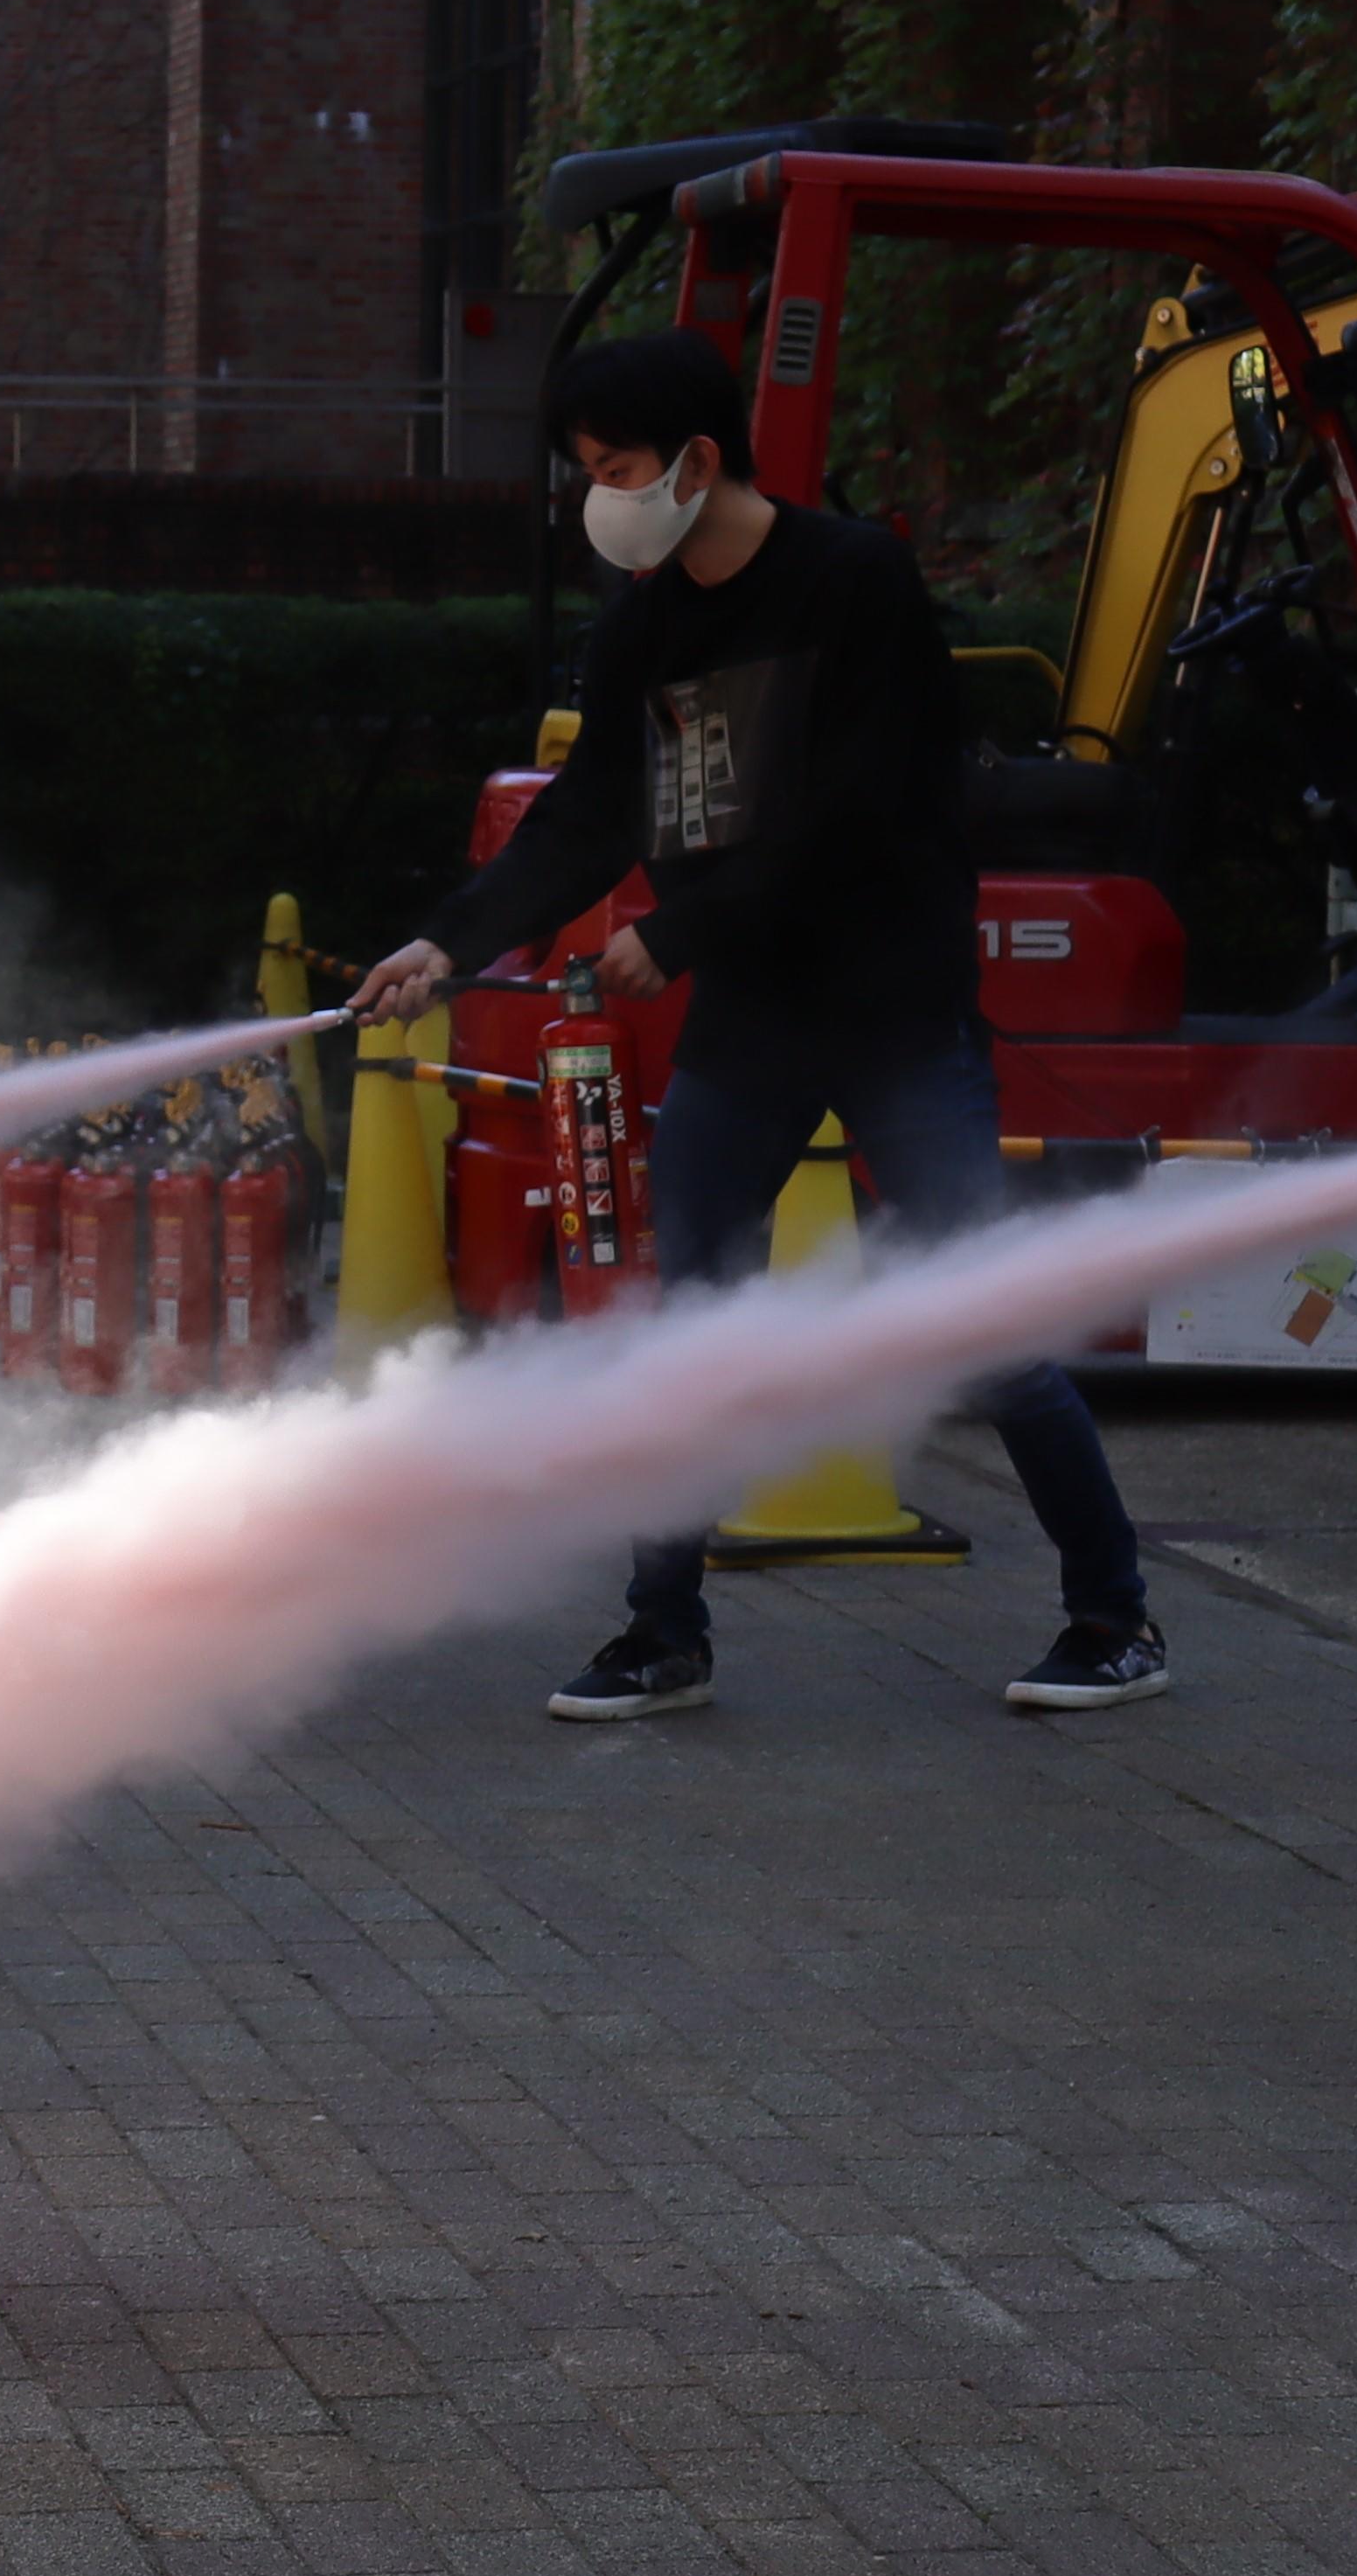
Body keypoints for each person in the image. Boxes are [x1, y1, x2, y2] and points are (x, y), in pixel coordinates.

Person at [348, 327, 1166, 1723]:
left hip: (896, 1015)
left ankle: (1115, 1619)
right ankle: (661, 1633)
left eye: (617, 469)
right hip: (755, 1025)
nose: (601, 500)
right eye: (587, 475)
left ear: (699, 460)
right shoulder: (644, 625)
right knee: (692, 1327)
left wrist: (676, 932)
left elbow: (864, 814)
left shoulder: (854, 582)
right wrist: (451, 940)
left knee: (982, 1321)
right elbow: (590, 810)